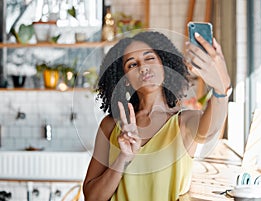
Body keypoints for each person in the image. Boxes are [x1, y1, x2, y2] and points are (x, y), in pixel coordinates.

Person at [83, 30, 231, 201]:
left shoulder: (183, 122)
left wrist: (221, 89)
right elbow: (91, 197)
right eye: (132, 64)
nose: (143, 67)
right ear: (125, 79)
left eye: (150, 58)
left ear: (164, 65)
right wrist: (123, 158)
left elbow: (210, 131)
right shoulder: (110, 126)